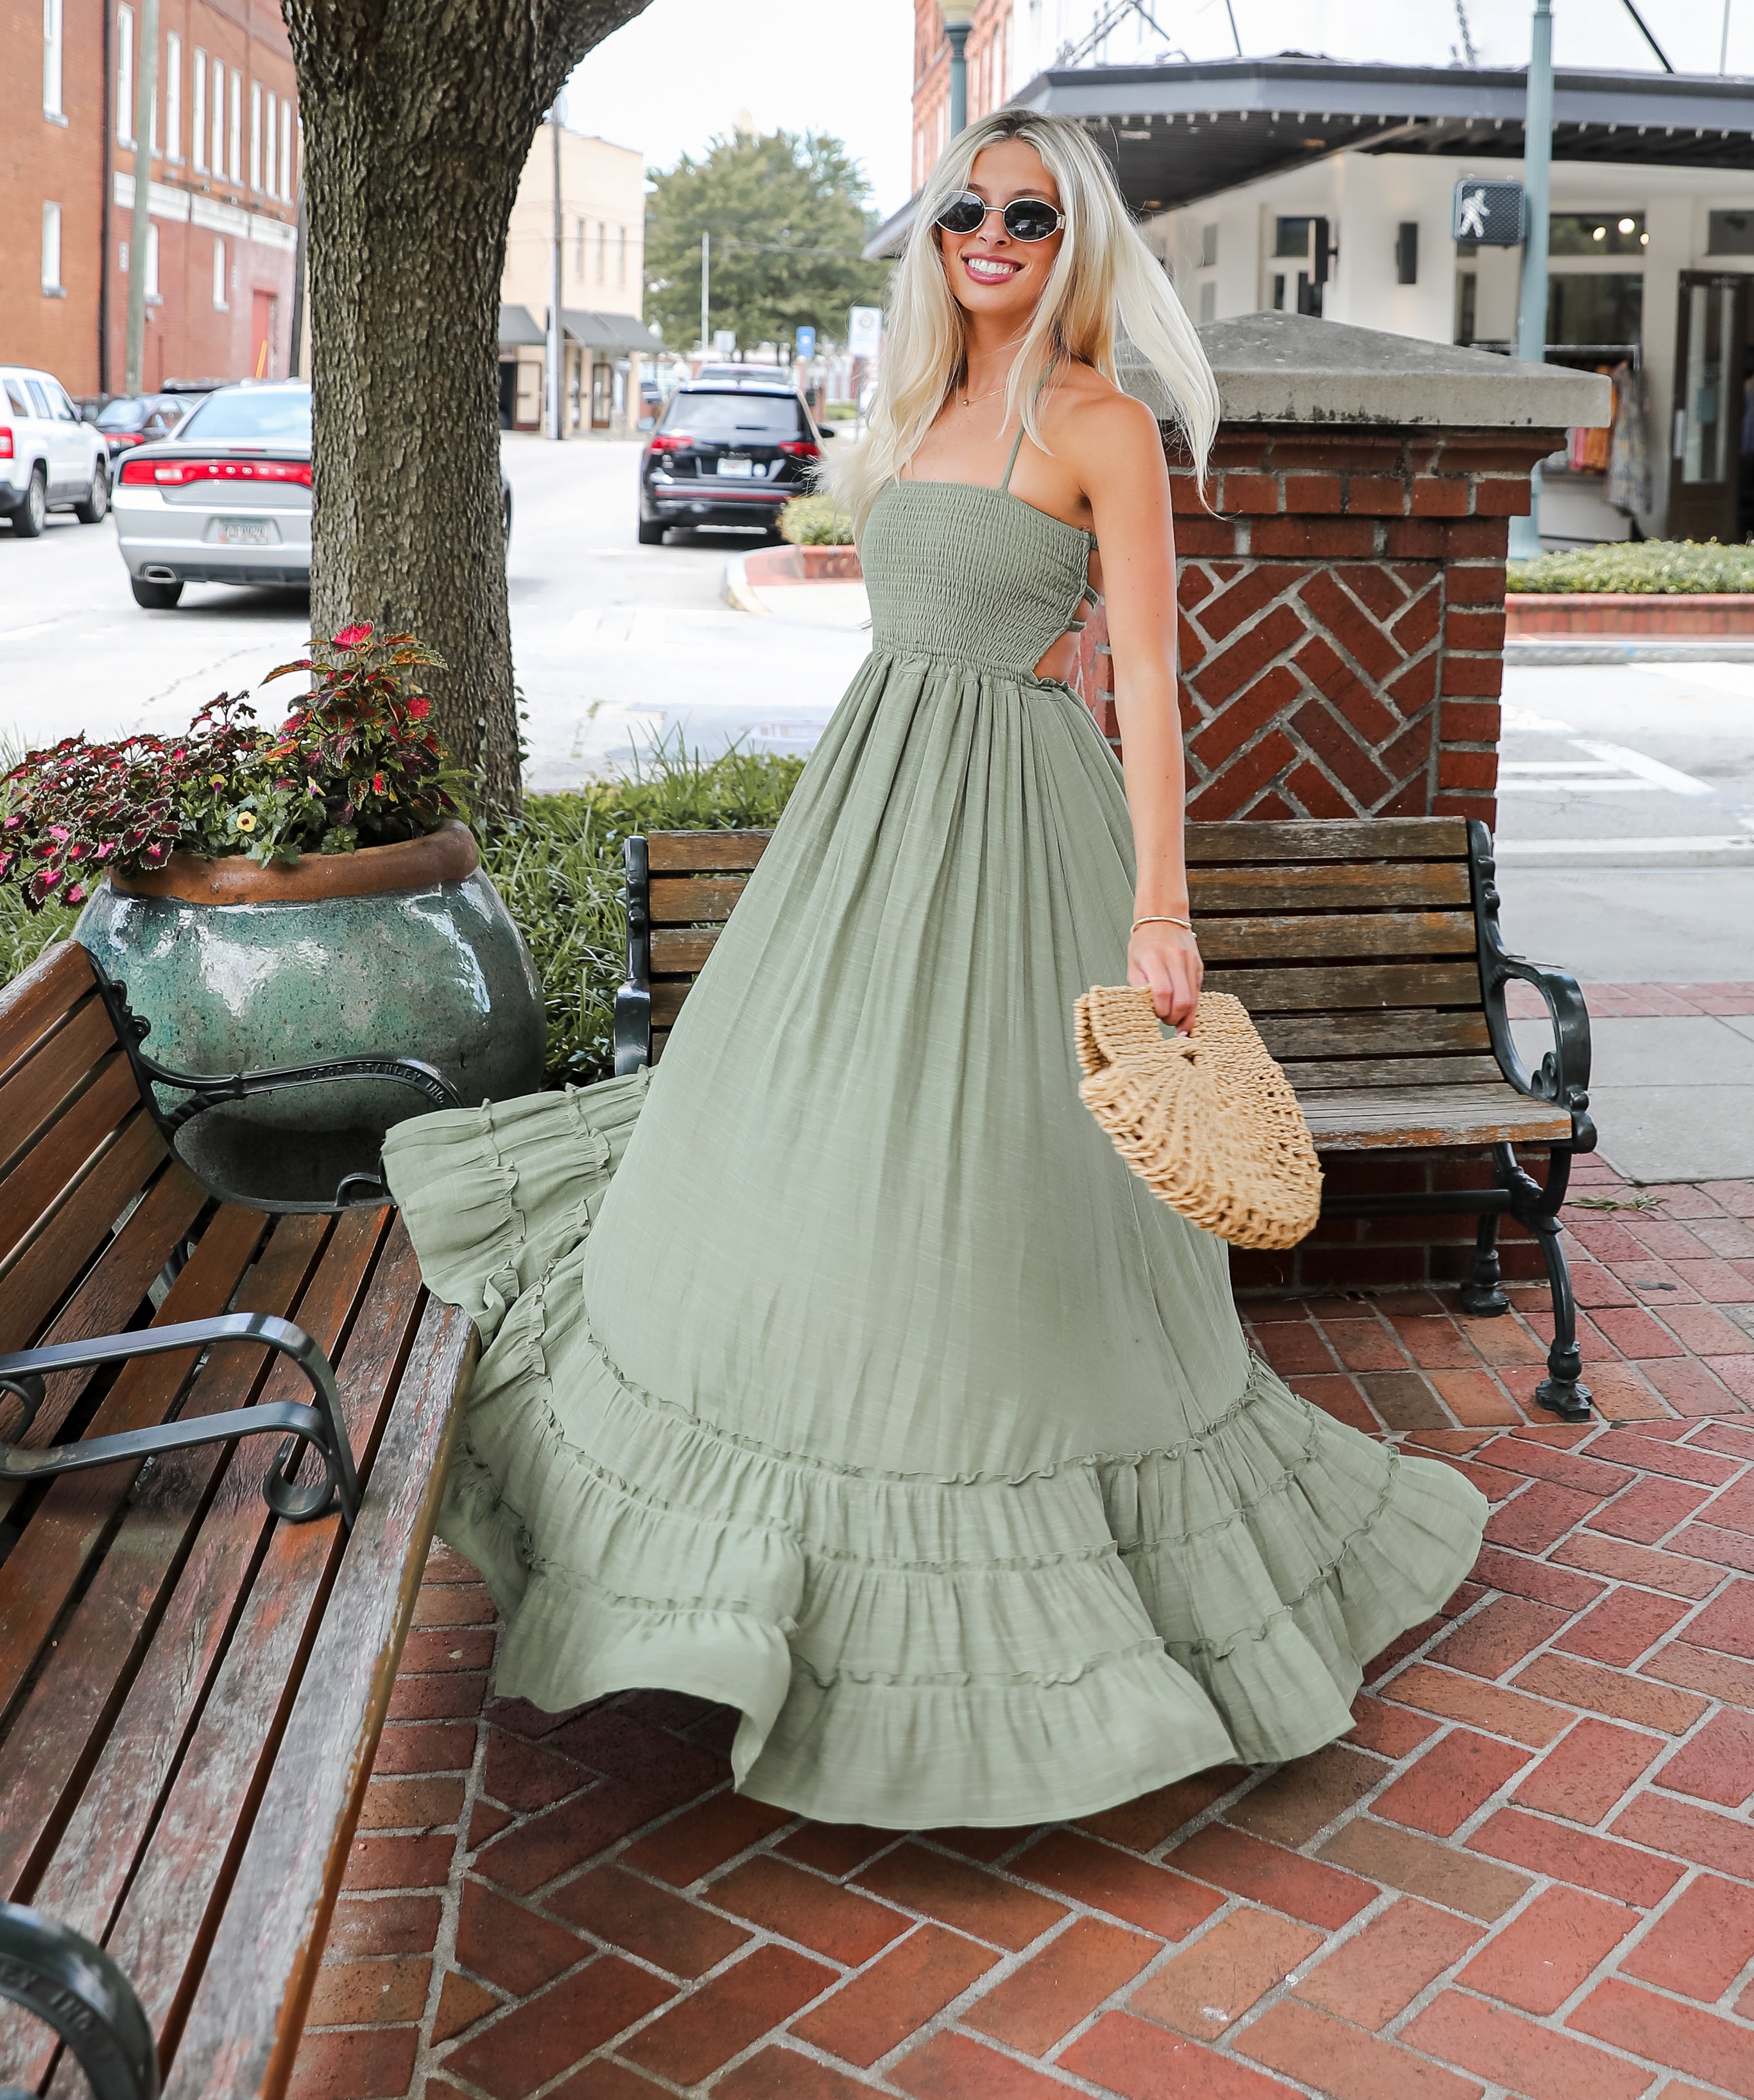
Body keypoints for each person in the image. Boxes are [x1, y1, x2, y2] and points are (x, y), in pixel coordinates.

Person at [390, 110, 1485, 1829]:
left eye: (1027, 213)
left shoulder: (1102, 424)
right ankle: (736, 1557)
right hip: (870, 811)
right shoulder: (917, 409)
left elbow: (1143, 674)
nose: (989, 233)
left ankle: (987, 1592)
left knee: (988, 1174)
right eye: (965, 207)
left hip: (1020, 826)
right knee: (790, 1146)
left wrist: (1164, 905)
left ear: (1078, 242)